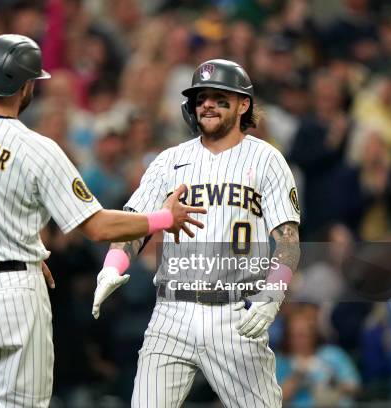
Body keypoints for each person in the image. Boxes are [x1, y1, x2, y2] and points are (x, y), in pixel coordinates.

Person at [0, 34, 206, 407]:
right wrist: (162, 217)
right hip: (13, 293)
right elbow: (97, 227)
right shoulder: (36, 148)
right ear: (24, 86)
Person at [92, 59, 302, 407]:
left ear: (242, 104)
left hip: (235, 314)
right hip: (171, 313)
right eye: (201, 97)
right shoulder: (168, 160)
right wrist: (113, 265)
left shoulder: (267, 159)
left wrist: (272, 295)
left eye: (219, 96)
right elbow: (135, 224)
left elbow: (289, 241)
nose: (207, 103)